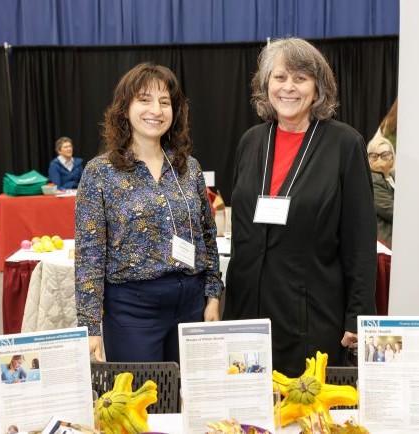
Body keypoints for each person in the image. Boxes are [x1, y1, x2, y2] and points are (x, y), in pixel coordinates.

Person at [223, 37, 377, 378]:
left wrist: (358, 316)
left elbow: (361, 242)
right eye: (280, 77)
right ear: (266, 85)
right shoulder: (251, 142)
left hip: (311, 312)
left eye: (300, 78)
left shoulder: (344, 144)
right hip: (247, 309)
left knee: (306, 405)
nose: (288, 87)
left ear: (318, 88)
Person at [75, 63, 223, 363]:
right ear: (125, 107)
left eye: (164, 102)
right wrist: (90, 327)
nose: (156, 110)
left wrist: (212, 296)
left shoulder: (188, 168)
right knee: (140, 391)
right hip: (133, 311)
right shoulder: (100, 172)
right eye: (145, 99)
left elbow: (207, 236)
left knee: (188, 389)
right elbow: (89, 255)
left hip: (191, 303)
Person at [367, 136, 395, 248]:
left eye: (384, 155)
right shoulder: (373, 181)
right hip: (386, 242)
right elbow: (391, 211)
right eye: (374, 156)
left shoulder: (393, 177)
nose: (380, 160)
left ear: (392, 156)